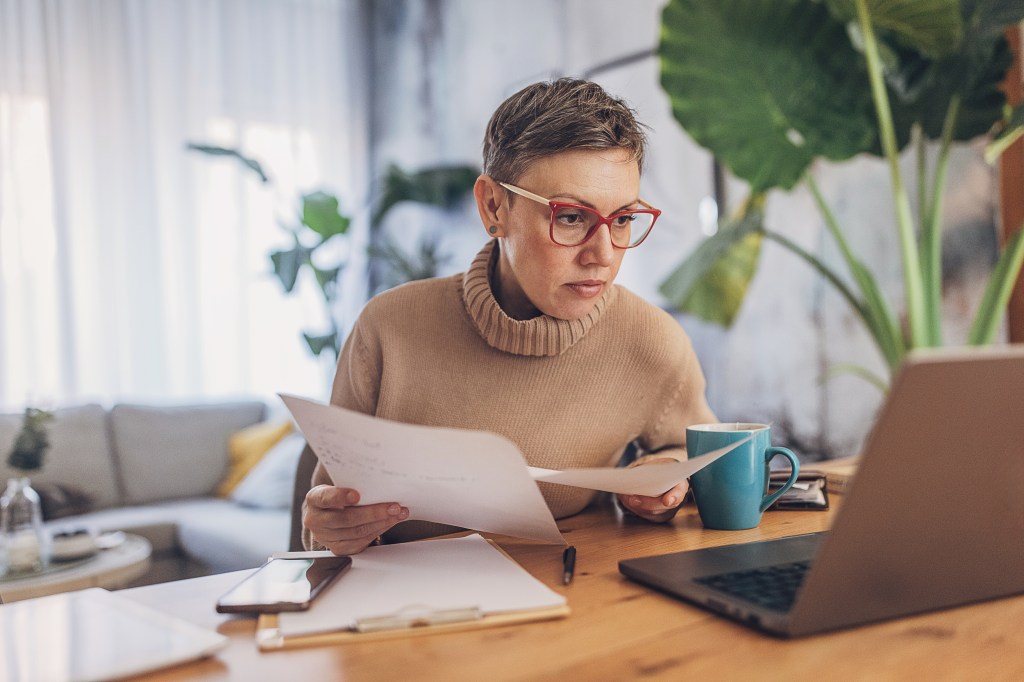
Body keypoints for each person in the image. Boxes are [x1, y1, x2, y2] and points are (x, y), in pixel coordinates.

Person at [303, 78, 717, 555]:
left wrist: (660, 485)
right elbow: (323, 520)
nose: (602, 255)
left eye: (622, 219)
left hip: (570, 603)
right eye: (570, 217)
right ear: (493, 207)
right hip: (403, 613)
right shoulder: (388, 329)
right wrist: (332, 529)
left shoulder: (651, 341)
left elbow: (687, 452)